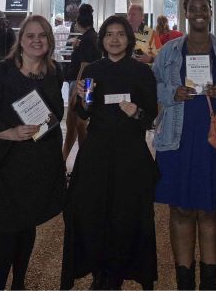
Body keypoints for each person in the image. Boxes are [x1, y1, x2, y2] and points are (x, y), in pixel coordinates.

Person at [0, 15, 66, 290]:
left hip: (38, 161)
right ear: (20, 41)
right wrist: (10, 132)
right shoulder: (0, 72)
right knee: (7, 230)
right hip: (5, 161)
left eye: (42, 35)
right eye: (30, 35)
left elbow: (57, 114)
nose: (36, 40)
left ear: (50, 41)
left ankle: (19, 284)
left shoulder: (54, 72)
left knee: (28, 226)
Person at [153, 0, 216, 290]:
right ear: (184, 12)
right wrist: (172, 93)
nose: (198, 13)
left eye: (204, 8)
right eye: (193, 8)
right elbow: (151, 86)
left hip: (213, 142)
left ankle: (210, 281)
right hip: (177, 140)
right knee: (180, 210)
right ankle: (184, 281)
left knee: (211, 210)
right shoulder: (169, 51)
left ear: (211, 12)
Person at [61, 15, 159, 290]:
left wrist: (137, 111)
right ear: (102, 40)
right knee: (93, 212)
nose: (114, 39)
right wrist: (81, 99)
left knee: (126, 214)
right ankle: (99, 272)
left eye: (120, 34)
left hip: (130, 153)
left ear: (128, 39)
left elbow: (150, 115)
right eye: (109, 35)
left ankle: (121, 272)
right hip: (97, 151)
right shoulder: (93, 70)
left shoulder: (141, 72)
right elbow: (84, 112)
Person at [62, 4, 101, 163]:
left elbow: (84, 66)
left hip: (84, 84)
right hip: (88, 84)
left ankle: (74, 160)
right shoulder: (92, 37)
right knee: (77, 124)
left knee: (76, 124)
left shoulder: (86, 39)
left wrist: (75, 92)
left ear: (78, 22)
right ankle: (75, 159)